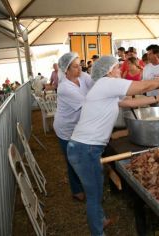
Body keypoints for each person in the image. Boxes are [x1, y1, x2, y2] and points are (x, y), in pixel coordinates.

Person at [67, 56, 159, 236]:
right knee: (94, 196)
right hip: (86, 149)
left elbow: (128, 102)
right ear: (108, 71)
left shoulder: (104, 88)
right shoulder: (106, 82)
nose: (120, 71)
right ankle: (97, 233)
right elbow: (143, 86)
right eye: (117, 68)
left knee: (96, 190)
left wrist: (156, 99)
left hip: (83, 148)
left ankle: (101, 221)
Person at [53, 52, 94, 202]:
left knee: (81, 157)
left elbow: (95, 84)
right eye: (76, 67)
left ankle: (86, 185)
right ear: (66, 70)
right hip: (66, 128)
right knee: (72, 160)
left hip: (79, 126)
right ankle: (77, 190)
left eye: (80, 65)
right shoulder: (65, 88)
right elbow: (87, 104)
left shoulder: (82, 77)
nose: (80, 69)